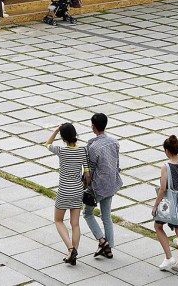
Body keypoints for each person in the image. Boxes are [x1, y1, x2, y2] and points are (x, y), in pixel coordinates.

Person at [46, 123, 85, 266]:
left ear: (63, 137)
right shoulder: (83, 150)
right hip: (78, 190)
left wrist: (56, 130)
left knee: (58, 220)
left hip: (64, 190)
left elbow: (47, 144)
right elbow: (87, 172)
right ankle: (72, 254)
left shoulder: (61, 150)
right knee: (75, 224)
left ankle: (70, 248)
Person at [153, 135, 178, 273]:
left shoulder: (165, 166)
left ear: (167, 151)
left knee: (158, 226)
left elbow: (163, 189)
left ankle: (169, 256)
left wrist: (155, 205)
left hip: (170, 203)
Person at [84, 113, 121, 259]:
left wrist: (86, 185)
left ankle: (102, 240)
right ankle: (108, 248)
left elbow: (91, 171)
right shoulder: (114, 142)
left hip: (98, 186)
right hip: (112, 183)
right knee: (106, 216)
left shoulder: (93, 147)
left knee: (87, 213)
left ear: (93, 126)